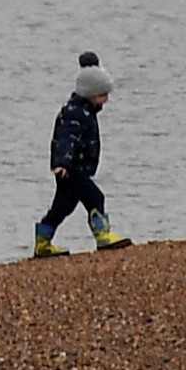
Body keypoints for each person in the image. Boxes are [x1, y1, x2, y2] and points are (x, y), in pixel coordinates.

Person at [28, 53, 123, 255]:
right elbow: (65, 140)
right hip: (71, 169)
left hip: (74, 169)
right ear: (90, 94)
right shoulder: (74, 113)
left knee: (62, 207)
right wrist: (62, 163)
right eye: (102, 95)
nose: (106, 100)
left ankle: (43, 242)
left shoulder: (85, 111)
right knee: (95, 198)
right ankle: (102, 236)